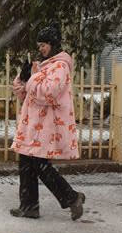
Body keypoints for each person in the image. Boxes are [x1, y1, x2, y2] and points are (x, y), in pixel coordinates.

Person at [10, 24, 86, 221]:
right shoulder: (42, 65)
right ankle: (29, 206)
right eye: (40, 45)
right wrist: (23, 77)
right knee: (27, 163)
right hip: (32, 125)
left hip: (46, 126)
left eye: (44, 45)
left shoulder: (60, 66)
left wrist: (32, 79)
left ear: (54, 44)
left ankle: (71, 197)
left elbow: (48, 93)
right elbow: (25, 93)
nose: (41, 48)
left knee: (40, 165)